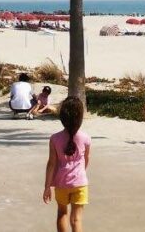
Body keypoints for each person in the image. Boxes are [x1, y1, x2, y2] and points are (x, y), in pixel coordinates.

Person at [43, 97, 90, 232]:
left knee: (62, 213)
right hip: (80, 183)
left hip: (61, 183)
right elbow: (86, 160)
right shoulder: (86, 138)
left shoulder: (55, 138)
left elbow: (51, 164)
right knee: (76, 219)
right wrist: (79, 173)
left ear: (62, 117)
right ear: (80, 118)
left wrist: (47, 187)